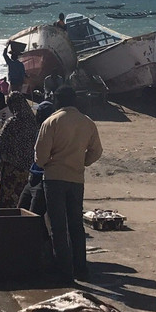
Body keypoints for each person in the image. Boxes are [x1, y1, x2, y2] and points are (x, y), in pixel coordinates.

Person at [35, 85, 103, 282]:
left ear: (57, 101)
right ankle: (81, 268)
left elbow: (40, 157)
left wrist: (48, 163)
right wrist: (83, 162)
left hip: (54, 178)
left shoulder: (51, 122)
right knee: (76, 225)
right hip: (76, 179)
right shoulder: (87, 122)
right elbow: (97, 151)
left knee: (58, 227)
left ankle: (64, 271)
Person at [0, 92, 39, 208]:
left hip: (12, 167)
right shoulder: (34, 122)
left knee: (9, 198)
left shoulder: (12, 122)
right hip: (29, 167)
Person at [18, 100, 56, 216]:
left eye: (38, 113)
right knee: (21, 208)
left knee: (34, 215)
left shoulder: (51, 132)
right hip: (33, 176)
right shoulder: (38, 130)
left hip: (43, 179)